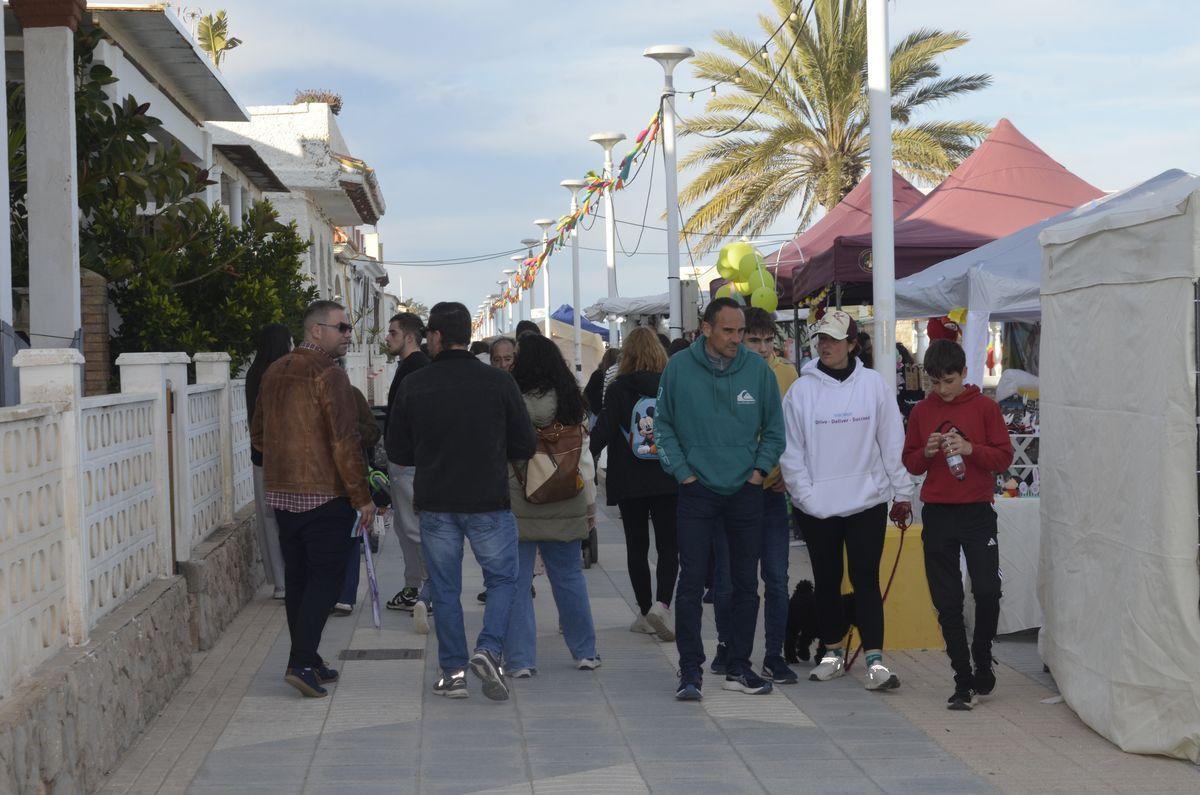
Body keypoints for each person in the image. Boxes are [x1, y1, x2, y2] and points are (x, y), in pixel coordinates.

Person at [388, 301, 536, 700]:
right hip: (488, 499)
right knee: (504, 579)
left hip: (436, 501)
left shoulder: (415, 384)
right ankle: (488, 649)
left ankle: (453, 672)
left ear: (434, 336)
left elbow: (397, 450)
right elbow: (525, 443)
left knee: (444, 586)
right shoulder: (499, 383)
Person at [655, 297, 786, 700]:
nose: (736, 339)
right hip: (697, 493)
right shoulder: (678, 369)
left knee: (747, 584)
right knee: (692, 583)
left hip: (746, 493)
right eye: (728, 331)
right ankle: (690, 671)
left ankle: (739, 667)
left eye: (740, 331)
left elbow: (776, 431)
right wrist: (684, 473)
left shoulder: (758, 371)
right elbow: (662, 426)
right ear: (706, 328)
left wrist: (758, 472)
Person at [778, 309, 913, 691]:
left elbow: (891, 442)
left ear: (853, 344)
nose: (825, 345)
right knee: (827, 581)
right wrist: (807, 498)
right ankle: (832, 653)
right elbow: (791, 452)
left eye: (835, 339)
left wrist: (902, 493)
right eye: (821, 338)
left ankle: (875, 662)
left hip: (867, 503)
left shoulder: (873, 386)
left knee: (865, 580)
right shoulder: (802, 391)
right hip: (818, 508)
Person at [250, 300, 375, 698]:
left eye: (349, 328)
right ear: (316, 330)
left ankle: (307, 657)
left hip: (283, 495)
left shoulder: (273, 371)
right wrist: (362, 497)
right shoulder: (329, 375)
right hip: (324, 495)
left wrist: (281, 468)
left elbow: (257, 433)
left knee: (300, 579)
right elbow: (344, 440)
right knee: (327, 578)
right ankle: (302, 661)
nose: (348, 335)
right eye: (342, 328)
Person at [902, 340, 1013, 710]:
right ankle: (962, 676)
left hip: (977, 511)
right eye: (935, 382)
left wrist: (970, 449)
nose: (941, 390)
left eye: (948, 381)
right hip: (938, 512)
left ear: (964, 373)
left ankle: (982, 654)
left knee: (986, 591)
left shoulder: (984, 407)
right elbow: (911, 462)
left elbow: (1003, 457)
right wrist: (928, 451)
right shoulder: (922, 411)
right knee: (946, 599)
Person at [503, 333, 601, 675]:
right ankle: (585, 652)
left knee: (516, 583)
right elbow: (585, 461)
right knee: (570, 577)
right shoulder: (572, 402)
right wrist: (590, 507)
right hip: (566, 497)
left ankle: (520, 660)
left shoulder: (510, 398)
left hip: (519, 502)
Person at [589, 327, 678, 642]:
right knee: (669, 546)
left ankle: (643, 612)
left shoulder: (617, 389)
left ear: (627, 355)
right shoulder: (670, 386)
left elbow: (601, 431)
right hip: (668, 476)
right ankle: (663, 605)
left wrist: (584, 464)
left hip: (629, 479)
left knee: (637, 547)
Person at [741, 307, 800, 684]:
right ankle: (733, 651)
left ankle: (774, 654)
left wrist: (789, 475)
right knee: (737, 579)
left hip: (774, 492)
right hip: (736, 491)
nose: (762, 348)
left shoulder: (788, 374)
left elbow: (796, 431)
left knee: (777, 577)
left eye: (767, 341)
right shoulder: (729, 372)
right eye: (754, 340)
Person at [382, 313, 433, 633]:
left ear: (410, 337)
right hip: (402, 463)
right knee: (404, 529)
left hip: (411, 464)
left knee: (416, 530)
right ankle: (414, 586)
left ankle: (431, 589)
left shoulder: (417, 368)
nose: (387, 337)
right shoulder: (407, 367)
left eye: (393, 332)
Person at [245, 323, 293, 599]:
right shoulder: (284, 374)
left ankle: (279, 582)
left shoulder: (254, 374)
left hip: (261, 456)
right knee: (287, 516)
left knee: (268, 517)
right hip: (286, 456)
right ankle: (292, 575)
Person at [333, 384, 383, 616]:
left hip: (352, 476)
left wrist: (351, 429)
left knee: (351, 536)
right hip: (317, 481)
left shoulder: (351, 394)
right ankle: (326, 593)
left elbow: (373, 432)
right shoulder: (303, 395)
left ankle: (345, 596)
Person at [584, 347, 620, 420]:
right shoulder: (617, 374)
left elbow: (588, 392)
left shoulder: (597, 374)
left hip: (596, 413)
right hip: (606, 412)